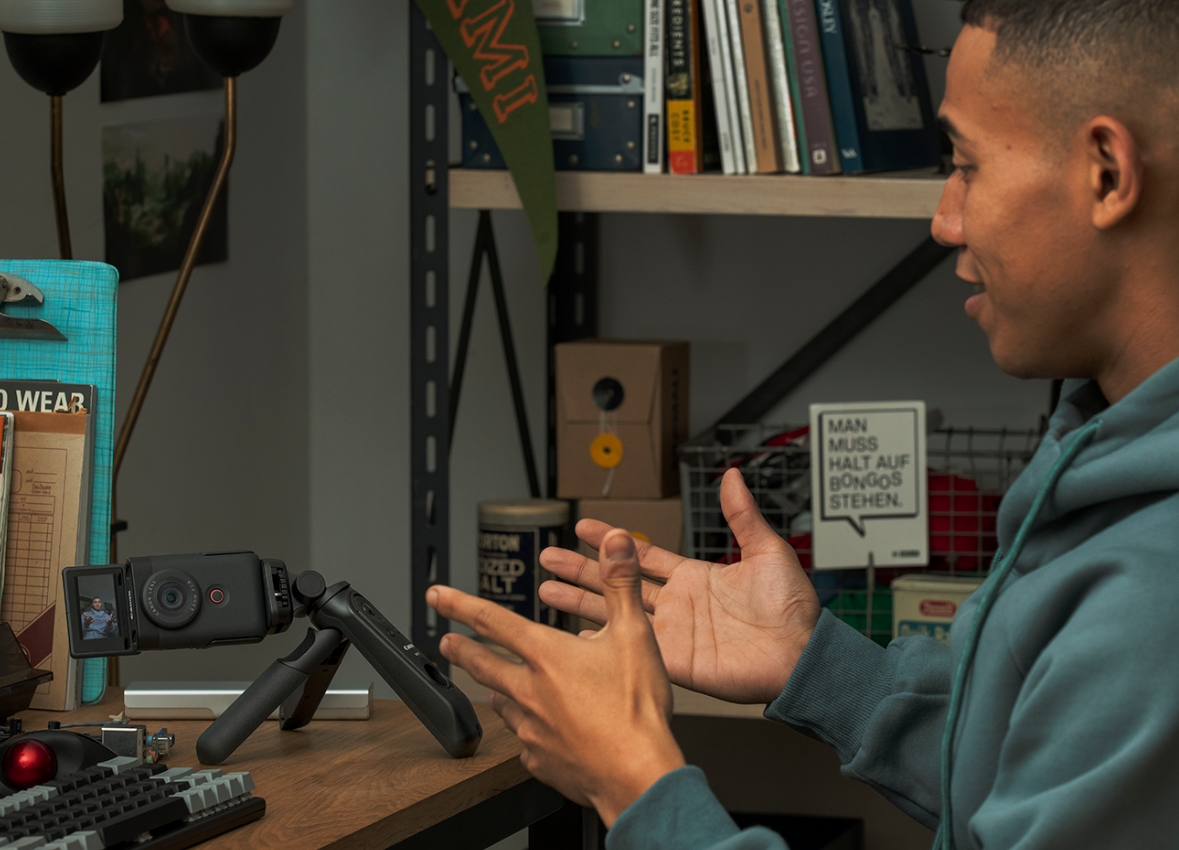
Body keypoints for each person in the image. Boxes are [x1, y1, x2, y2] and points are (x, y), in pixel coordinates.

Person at [427, 1, 1179, 847]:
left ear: (1107, 173)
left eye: (967, 166)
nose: (944, 220)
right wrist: (816, 663)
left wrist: (634, 782)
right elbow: (1036, 771)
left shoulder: (1152, 602)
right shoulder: (1111, 465)